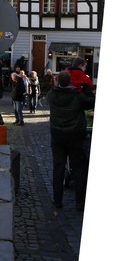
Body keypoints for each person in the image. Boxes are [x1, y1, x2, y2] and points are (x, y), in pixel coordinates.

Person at [48, 70, 94, 213]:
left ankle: (57, 199)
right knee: (78, 168)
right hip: (75, 136)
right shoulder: (78, 97)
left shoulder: (51, 95)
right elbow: (91, 102)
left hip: (57, 136)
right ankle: (80, 201)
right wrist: (87, 89)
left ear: (58, 81)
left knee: (58, 168)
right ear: (70, 82)